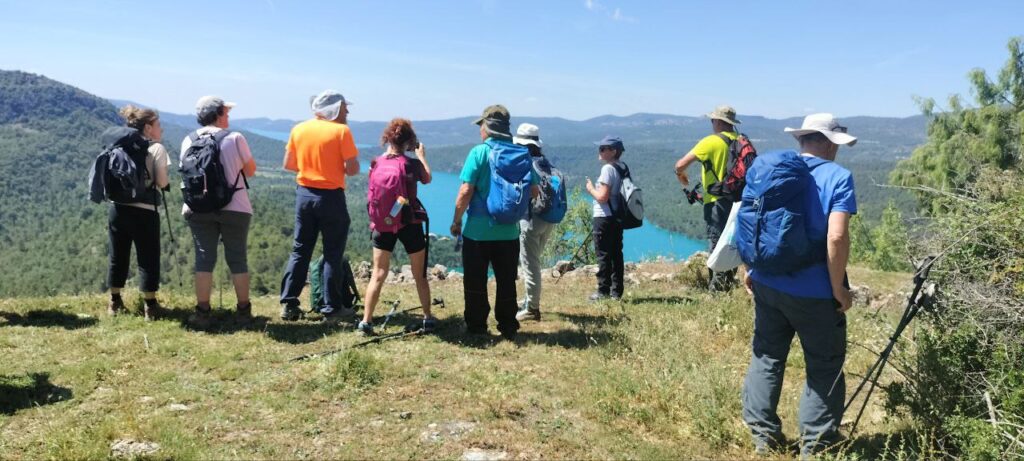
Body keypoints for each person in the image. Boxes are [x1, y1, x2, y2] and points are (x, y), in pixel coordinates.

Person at [741, 113, 858, 457]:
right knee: (823, 365)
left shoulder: (768, 170)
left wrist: (752, 266)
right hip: (815, 292)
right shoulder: (838, 177)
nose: (838, 152)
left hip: (767, 282)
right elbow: (836, 236)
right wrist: (838, 288)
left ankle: (764, 438)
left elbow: (747, 221)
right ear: (824, 141)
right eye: (836, 144)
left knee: (766, 355)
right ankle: (817, 446)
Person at [450, 105, 538, 339]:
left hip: (478, 233)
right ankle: (508, 326)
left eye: (481, 125)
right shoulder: (521, 154)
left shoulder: (479, 153)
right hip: (509, 233)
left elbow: (465, 191)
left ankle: (477, 327)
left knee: (475, 281)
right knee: (506, 281)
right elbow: (535, 191)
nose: (480, 130)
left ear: (487, 127)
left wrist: (456, 221)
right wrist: (511, 205)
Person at [279, 90, 360, 322]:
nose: (347, 111)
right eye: (345, 107)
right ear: (334, 109)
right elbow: (353, 169)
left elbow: (288, 164)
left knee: (300, 249)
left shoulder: (299, 129)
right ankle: (332, 309)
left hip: (304, 195)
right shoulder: (341, 131)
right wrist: (335, 168)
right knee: (332, 253)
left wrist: (312, 168)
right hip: (331, 197)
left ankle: (289, 303)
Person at [181, 96, 257, 328]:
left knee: (204, 259)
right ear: (219, 114)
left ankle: (203, 311)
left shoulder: (188, 139)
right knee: (237, 258)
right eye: (226, 112)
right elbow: (251, 171)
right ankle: (243, 310)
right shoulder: (234, 138)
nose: (229, 115)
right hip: (235, 206)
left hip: (199, 207)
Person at [358, 118, 436, 336]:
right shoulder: (411, 164)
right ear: (409, 141)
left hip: (383, 224)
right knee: (419, 273)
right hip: (409, 222)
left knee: (378, 273)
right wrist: (421, 157)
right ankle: (428, 318)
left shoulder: (376, 162)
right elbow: (427, 178)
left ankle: (366, 321)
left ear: (387, 138)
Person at [106, 105, 170, 320]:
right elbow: (161, 181)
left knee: (118, 255)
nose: (161, 129)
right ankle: (150, 307)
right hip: (145, 211)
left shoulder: (119, 145)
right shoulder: (156, 148)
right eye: (158, 125)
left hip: (117, 208)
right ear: (149, 127)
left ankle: (114, 302)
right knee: (148, 257)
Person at [673, 105, 741, 291]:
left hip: (716, 201)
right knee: (732, 242)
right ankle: (727, 285)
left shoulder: (710, 141)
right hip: (740, 200)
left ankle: (717, 292)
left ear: (719, 121)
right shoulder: (742, 140)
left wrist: (682, 177)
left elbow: (680, 165)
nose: (712, 123)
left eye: (713, 120)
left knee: (717, 243)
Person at [515, 123, 555, 322]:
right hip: (549, 218)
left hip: (532, 218)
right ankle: (530, 300)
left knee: (530, 264)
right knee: (534, 262)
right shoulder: (544, 161)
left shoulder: (527, 163)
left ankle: (532, 308)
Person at [585, 136, 627, 301]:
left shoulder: (608, 169)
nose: (600, 151)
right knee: (617, 254)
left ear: (614, 151)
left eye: (603, 148)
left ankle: (603, 291)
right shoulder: (622, 167)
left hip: (604, 217)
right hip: (616, 217)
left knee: (603, 255)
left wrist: (590, 189)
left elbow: (602, 197)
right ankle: (616, 292)